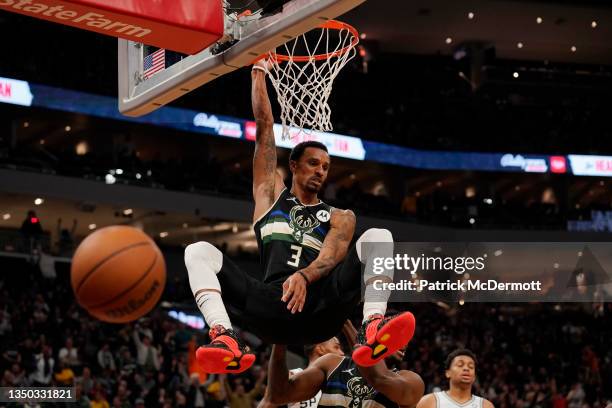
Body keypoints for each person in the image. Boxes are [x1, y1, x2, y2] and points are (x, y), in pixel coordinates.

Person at [185, 58, 415, 374]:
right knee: (197, 251)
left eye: (325, 167)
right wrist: (258, 72)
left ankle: (373, 324)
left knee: (379, 237)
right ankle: (224, 337)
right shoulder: (269, 196)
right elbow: (264, 127)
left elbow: (333, 255)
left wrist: (305, 276)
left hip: (322, 309)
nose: (321, 171)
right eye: (313, 163)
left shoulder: (339, 216)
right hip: (271, 307)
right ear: (293, 166)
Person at [265, 320, 423, 408]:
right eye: (395, 335)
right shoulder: (332, 364)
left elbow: (378, 378)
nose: (403, 343)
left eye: (405, 340)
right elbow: (279, 395)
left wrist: (344, 321)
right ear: (374, 336)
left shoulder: (412, 381)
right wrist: (280, 340)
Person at [259, 336, 346, 408]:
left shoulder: (341, 383)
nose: (342, 353)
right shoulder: (293, 376)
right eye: (336, 347)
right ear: (320, 349)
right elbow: (266, 405)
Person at [416, 349, 494, 408]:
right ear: (448, 373)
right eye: (460, 365)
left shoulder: (486, 406)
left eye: (471, 367)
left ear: (474, 377)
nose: (466, 368)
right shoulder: (429, 402)